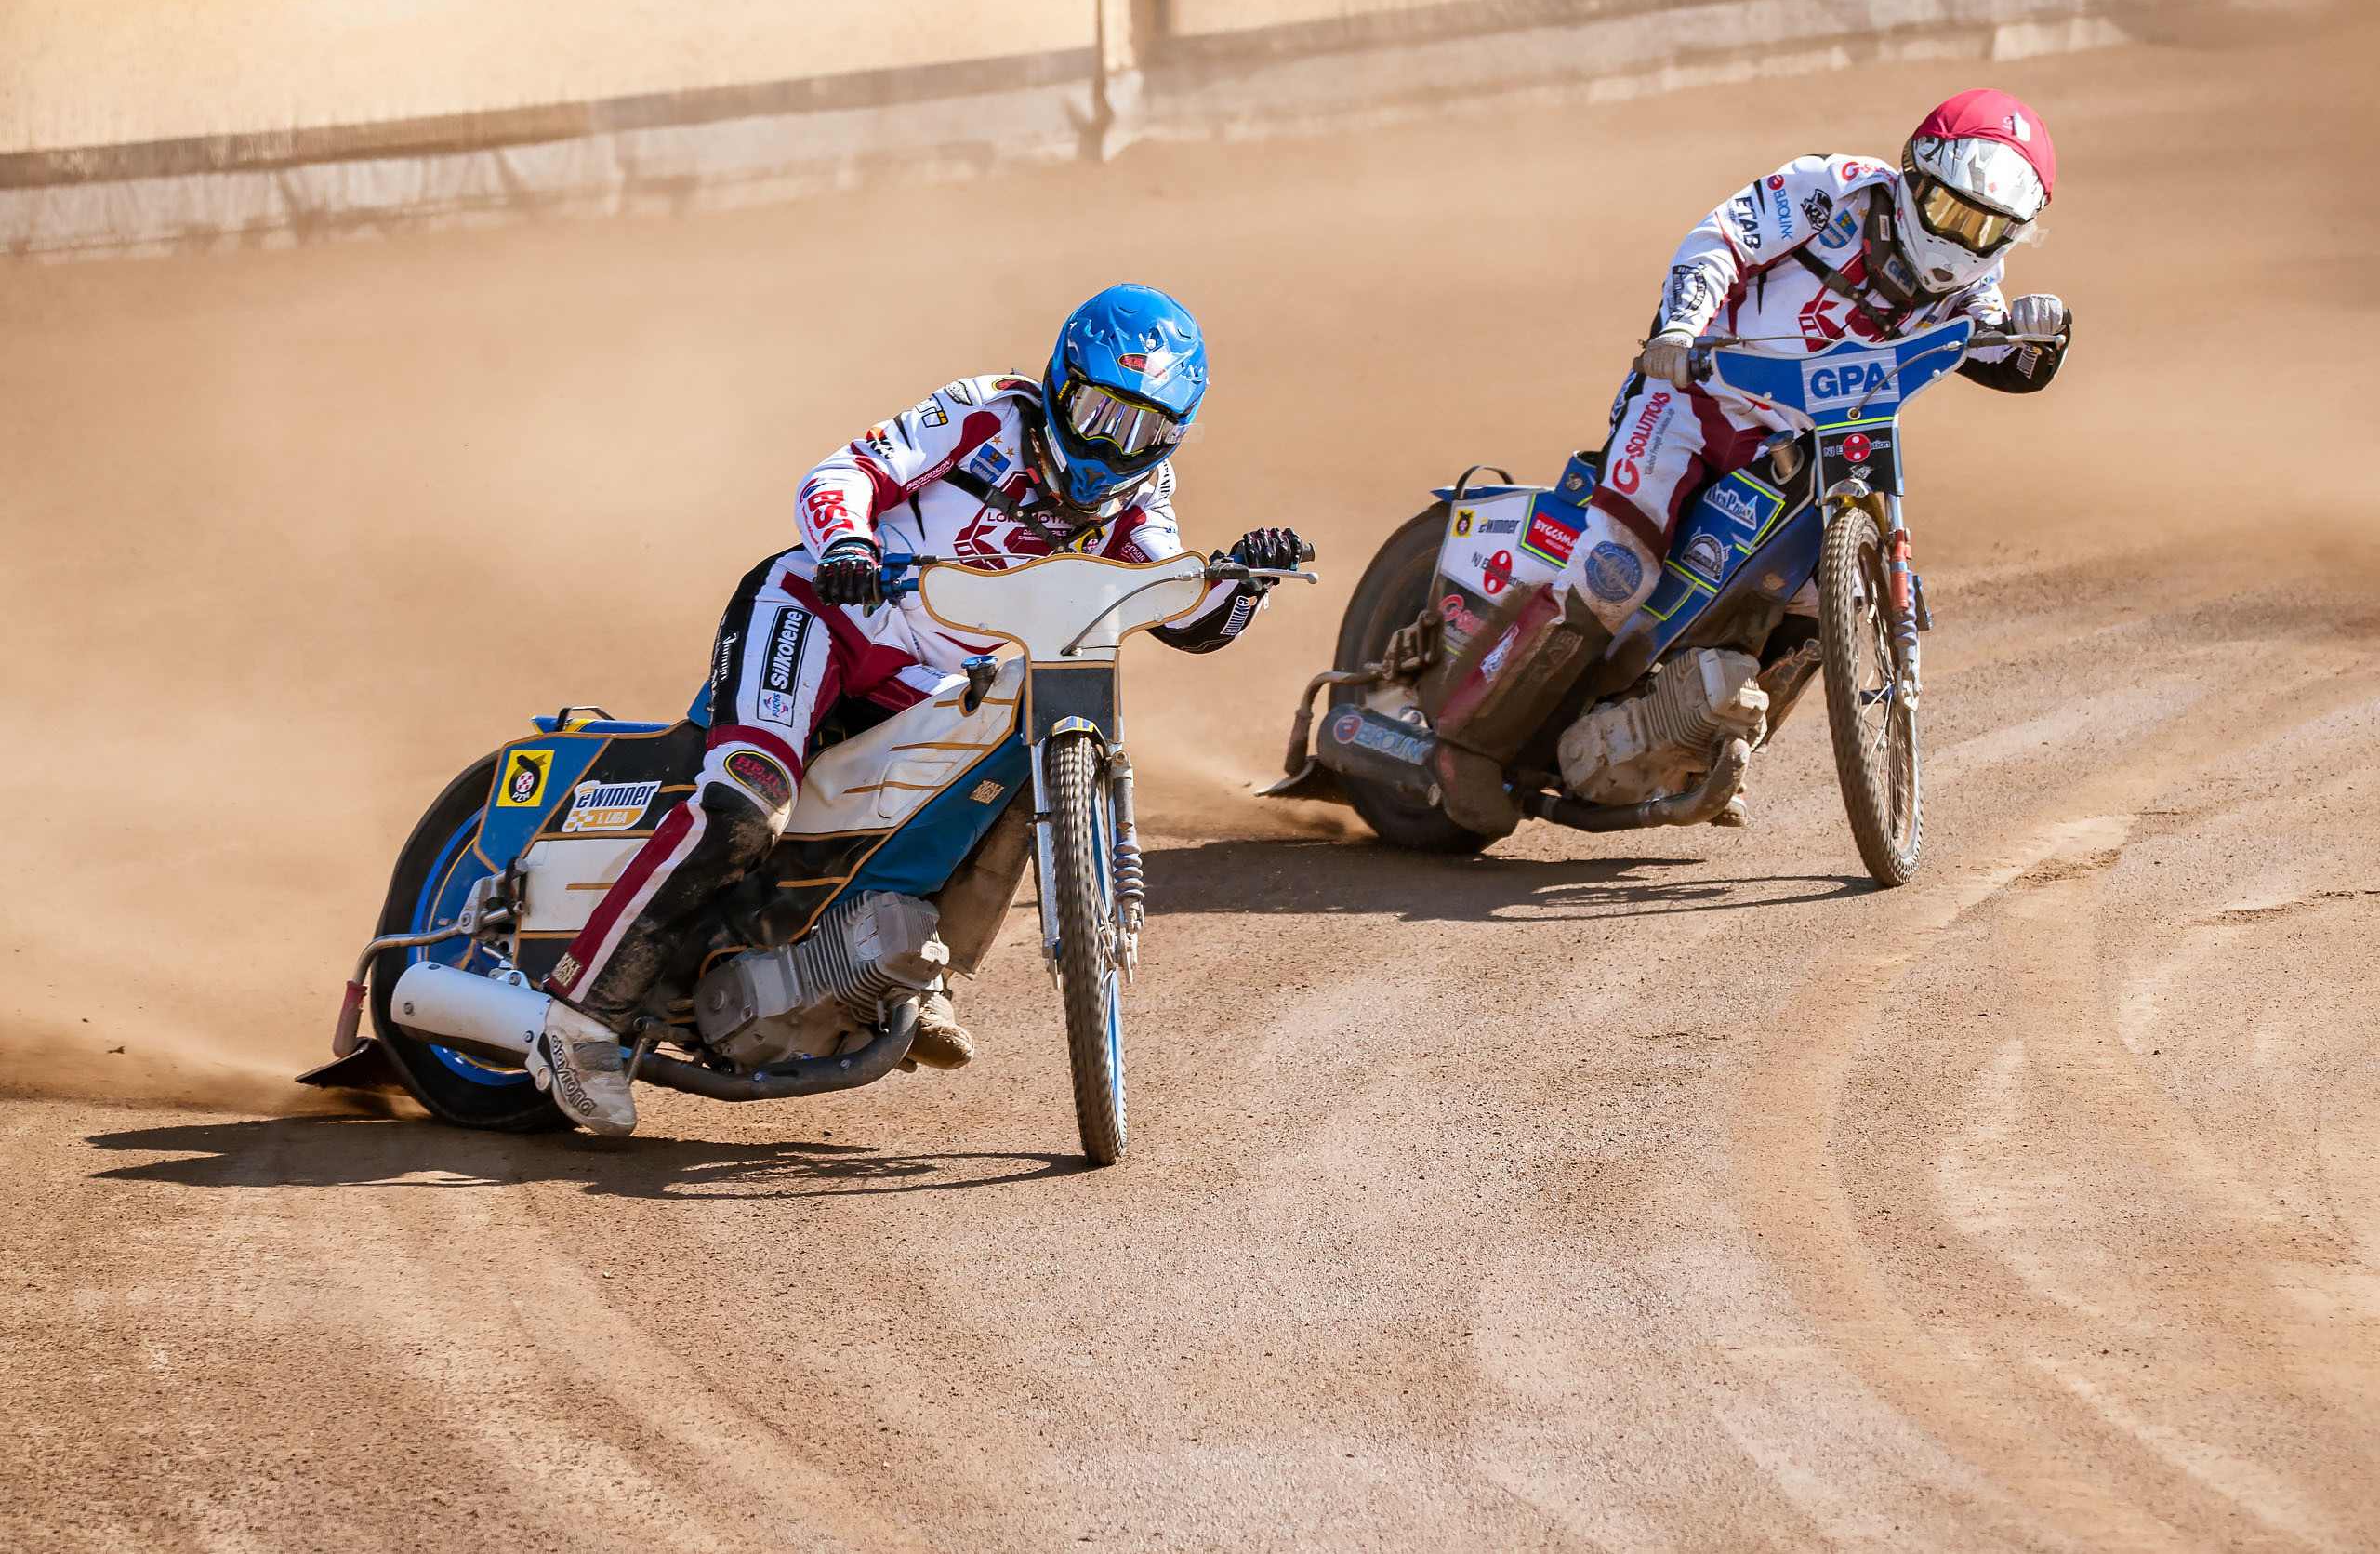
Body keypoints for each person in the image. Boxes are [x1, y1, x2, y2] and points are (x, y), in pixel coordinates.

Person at [523, 284, 1304, 1135]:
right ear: (1061, 378)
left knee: (1014, 760)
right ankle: (576, 1021)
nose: (1116, 447)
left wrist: (1240, 582)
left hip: (930, 687)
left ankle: (906, 969)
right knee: (746, 805)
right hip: (825, 615)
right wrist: (850, 544)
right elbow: (844, 472)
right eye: (1101, 413)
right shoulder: (986, 413)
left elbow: (1176, 605)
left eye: (1145, 430)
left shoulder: (1141, 494)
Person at [1428, 88, 2074, 831]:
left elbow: (2006, 358)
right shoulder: (1833, 192)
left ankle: (1700, 744)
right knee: (1618, 567)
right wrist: (1680, 327)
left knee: (1813, 600)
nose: (1963, 239)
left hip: (1798, 445)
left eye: (1989, 228)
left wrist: (2043, 332)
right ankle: (1463, 743)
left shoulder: (1974, 287)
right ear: (1913, 176)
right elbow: (1721, 237)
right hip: (1693, 400)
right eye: (1953, 212)